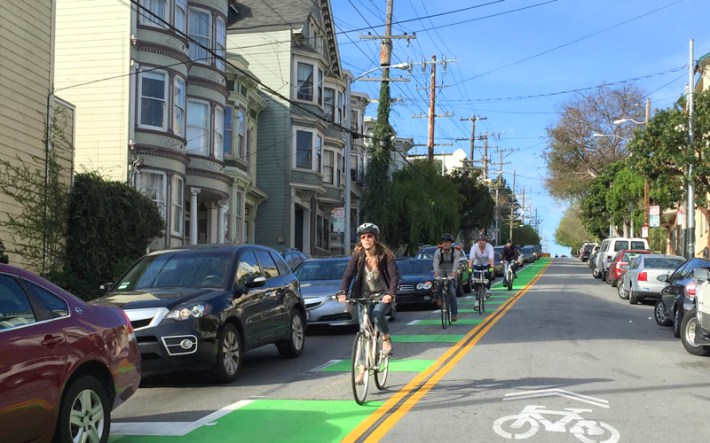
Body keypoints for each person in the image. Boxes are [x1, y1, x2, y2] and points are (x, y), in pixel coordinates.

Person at [337, 222, 400, 359]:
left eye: (369, 236)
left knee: (377, 315)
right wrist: (342, 292)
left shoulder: (385, 256)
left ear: (375, 239)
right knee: (363, 331)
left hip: (382, 295)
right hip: (364, 296)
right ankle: (361, 367)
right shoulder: (357, 256)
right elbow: (347, 275)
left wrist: (390, 294)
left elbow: (394, 276)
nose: (366, 239)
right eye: (363, 237)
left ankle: (385, 338)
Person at [433, 233, 462, 321]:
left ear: (451, 243)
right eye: (444, 242)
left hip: (451, 271)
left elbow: (456, 265)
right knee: (439, 283)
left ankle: (454, 314)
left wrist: (452, 276)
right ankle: (439, 297)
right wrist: (436, 275)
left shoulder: (455, 252)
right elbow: (435, 264)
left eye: (447, 242)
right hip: (441, 270)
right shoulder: (438, 252)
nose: (445, 244)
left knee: (452, 292)